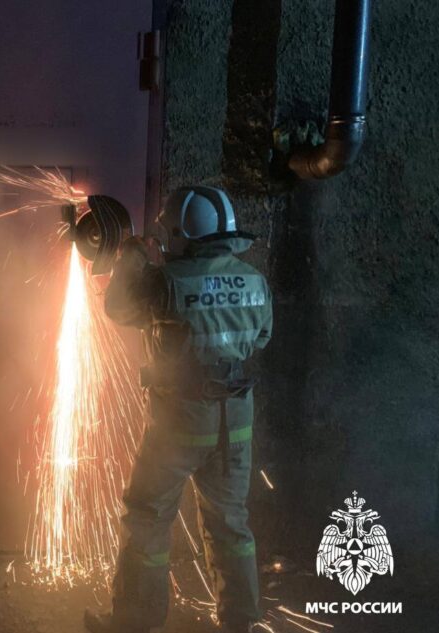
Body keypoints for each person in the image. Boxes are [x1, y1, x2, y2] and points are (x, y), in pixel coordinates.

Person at [84, 186, 272, 633]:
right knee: (230, 522)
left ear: (184, 234)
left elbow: (116, 307)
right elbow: (260, 339)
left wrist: (132, 253)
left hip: (179, 422)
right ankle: (240, 622)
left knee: (147, 517)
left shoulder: (166, 280)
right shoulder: (254, 281)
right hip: (236, 423)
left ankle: (135, 620)